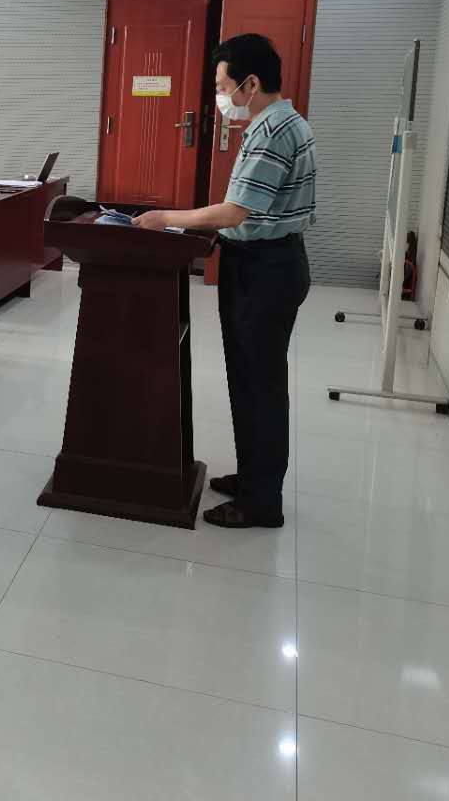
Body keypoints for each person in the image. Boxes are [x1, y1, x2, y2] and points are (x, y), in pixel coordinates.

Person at [134, 34, 315, 529]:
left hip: (266, 268)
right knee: (250, 379)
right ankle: (255, 477)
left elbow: (236, 211)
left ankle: (261, 501)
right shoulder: (279, 122)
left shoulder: (273, 130)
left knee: (259, 384)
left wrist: (166, 218)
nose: (220, 97)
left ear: (250, 84)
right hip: (265, 261)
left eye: (222, 86)